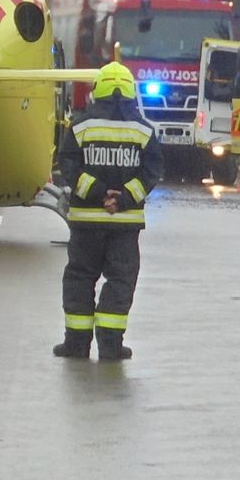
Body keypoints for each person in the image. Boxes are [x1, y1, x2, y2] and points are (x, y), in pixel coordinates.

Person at [54, 62, 163, 361]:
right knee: (121, 280)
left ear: (96, 92)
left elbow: (68, 168)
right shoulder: (143, 131)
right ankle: (111, 344)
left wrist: (99, 193)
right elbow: (151, 172)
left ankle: (76, 344)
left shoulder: (80, 127)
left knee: (79, 278)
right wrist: (123, 199)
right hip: (124, 225)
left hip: (86, 224)